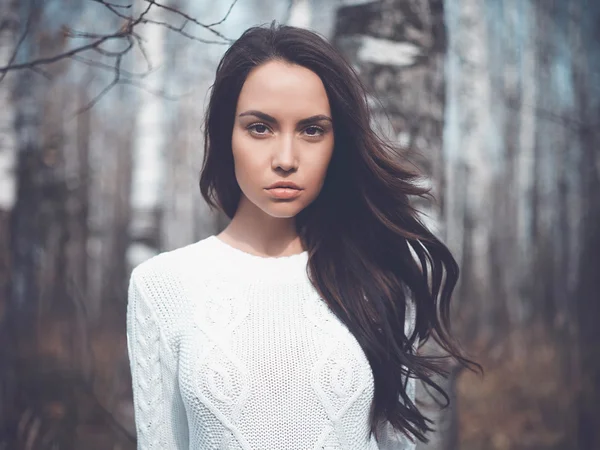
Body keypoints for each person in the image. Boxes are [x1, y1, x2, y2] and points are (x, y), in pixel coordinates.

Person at [126, 21, 479, 450]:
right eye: (260, 127)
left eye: (312, 130)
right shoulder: (162, 287)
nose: (286, 159)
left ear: (337, 142)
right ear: (224, 135)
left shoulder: (380, 280)